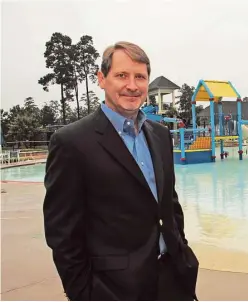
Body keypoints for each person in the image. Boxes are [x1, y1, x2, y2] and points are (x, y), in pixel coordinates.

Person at [43, 41, 199, 301]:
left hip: (173, 281)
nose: (132, 85)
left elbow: (169, 205)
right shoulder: (71, 143)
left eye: (140, 77)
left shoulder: (160, 135)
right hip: (113, 290)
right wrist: (83, 294)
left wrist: (181, 252)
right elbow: (63, 234)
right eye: (121, 75)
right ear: (102, 79)